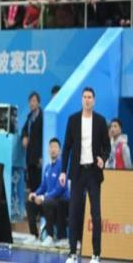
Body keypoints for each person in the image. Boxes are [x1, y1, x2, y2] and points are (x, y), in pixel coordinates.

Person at [60, 87, 110, 263]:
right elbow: (66, 147)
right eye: (85, 97)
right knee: (74, 212)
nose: (87, 100)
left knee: (96, 214)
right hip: (77, 172)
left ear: (94, 101)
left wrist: (103, 159)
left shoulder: (100, 121)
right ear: (81, 100)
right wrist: (63, 171)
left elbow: (107, 146)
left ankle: (96, 254)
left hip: (93, 173)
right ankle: (72, 253)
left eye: (90, 97)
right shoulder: (73, 120)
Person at [25, 138, 69, 247]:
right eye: (51, 147)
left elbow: (60, 188)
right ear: (48, 150)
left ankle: (50, 236)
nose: (53, 149)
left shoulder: (62, 167)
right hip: (49, 200)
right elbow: (43, 186)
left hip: (62, 201)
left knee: (47, 202)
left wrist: (44, 197)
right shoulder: (47, 167)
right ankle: (34, 235)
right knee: (30, 203)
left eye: (55, 147)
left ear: (60, 151)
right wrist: (35, 194)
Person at [22, 92, 44, 192]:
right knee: (31, 187)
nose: (32, 103)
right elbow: (24, 130)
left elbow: (45, 138)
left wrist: (42, 156)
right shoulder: (29, 117)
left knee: (39, 186)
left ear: (39, 103)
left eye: (34, 101)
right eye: (30, 101)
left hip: (39, 158)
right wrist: (24, 136)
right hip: (30, 157)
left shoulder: (43, 117)